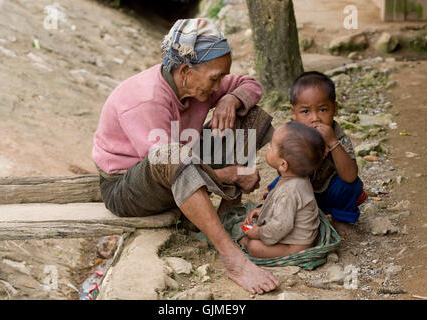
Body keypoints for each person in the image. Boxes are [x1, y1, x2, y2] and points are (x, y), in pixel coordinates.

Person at [92, 18, 279, 294]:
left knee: (251, 116)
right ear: (184, 70)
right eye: (215, 77)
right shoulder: (148, 100)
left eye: (221, 78)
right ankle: (232, 258)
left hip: (180, 156)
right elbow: (168, 163)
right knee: (174, 157)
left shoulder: (199, 83)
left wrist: (231, 99)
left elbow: (250, 84)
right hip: (127, 187)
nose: (218, 85)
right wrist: (232, 173)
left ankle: (224, 214)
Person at [268, 71, 367, 236]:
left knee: (351, 186)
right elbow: (281, 168)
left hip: (330, 193)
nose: (315, 118)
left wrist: (333, 143)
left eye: (322, 109)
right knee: (276, 187)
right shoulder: (291, 135)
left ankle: (341, 219)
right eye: (305, 112)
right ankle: (290, 219)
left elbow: (350, 176)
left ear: (334, 109)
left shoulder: (338, 136)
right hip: (301, 190)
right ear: (294, 113)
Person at [239, 122, 325, 258]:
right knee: (251, 233)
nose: (268, 147)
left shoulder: (288, 191)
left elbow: (281, 225)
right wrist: (261, 211)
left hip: (295, 245)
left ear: (283, 164)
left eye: (271, 146)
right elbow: (286, 210)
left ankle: (252, 243)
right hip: (297, 235)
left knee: (253, 246)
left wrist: (258, 233)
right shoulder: (298, 178)